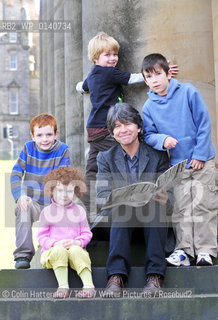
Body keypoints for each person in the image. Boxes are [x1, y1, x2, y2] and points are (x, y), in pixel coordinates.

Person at [76, 31, 178, 217]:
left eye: (115, 54)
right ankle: (122, 204)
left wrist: (81, 89)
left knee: (92, 169)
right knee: (123, 157)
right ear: (95, 57)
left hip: (93, 129)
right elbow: (132, 78)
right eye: (107, 55)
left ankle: (87, 209)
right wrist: (155, 73)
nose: (113, 58)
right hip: (107, 128)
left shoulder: (93, 75)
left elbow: (81, 86)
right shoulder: (109, 73)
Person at [141, 53, 217, 267]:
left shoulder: (188, 92)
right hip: (178, 166)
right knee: (182, 208)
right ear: (145, 80)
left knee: (205, 205)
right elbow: (147, 134)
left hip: (202, 161)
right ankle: (184, 251)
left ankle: (205, 251)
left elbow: (204, 123)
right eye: (149, 76)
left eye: (158, 74)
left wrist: (200, 155)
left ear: (168, 73)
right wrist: (162, 139)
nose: (154, 80)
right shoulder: (148, 107)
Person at [95, 102, 170, 297]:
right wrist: (123, 198)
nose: (123, 130)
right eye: (117, 126)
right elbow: (102, 198)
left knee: (155, 208)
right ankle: (116, 277)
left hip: (152, 221)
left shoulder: (157, 155)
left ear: (138, 127)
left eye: (127, 124)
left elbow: (169, 194)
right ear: (112, 132)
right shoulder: (105, 158)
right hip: (119, 223)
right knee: (121, 208)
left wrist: (165, 197)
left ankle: (155, 277)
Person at [10, 113, 71, 269]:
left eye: (49, 134)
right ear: (32, 136)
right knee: (23, 208)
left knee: (69, 213)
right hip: (33, 202)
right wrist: (21, 196)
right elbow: (16, 174)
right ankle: (23, 255)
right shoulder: (28, 148)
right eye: (40, 135)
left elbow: (64, 178)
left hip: (54, 202)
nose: (45, 139)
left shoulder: (63, 150)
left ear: (56, 134)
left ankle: (56, 250)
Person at [37, 167, 95, 299]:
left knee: (77, 250)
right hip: (52, 253)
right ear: (52, 191)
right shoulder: (47, 212)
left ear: (76, 192)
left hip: (74, 252)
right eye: (59, 190)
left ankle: (89, 286)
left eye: (69, 191)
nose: (64, 195)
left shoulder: (79, 210)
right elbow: (42, 237)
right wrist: (55, 243)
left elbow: (87, 233)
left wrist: (77, 242)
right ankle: (63, 287)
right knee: (59, 251)